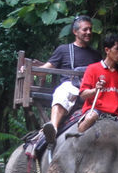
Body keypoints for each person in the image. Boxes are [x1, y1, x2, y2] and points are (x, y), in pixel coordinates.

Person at [36, 15, 101, 145]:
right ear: (75, 32)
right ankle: (53, 128)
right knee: (64, 90)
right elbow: (47, 68)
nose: (89, 32)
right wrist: (30, 70)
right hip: (71, 87)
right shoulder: (64, 50)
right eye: (85, 29)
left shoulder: (96, 54)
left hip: (91, 89)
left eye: (90, 29)